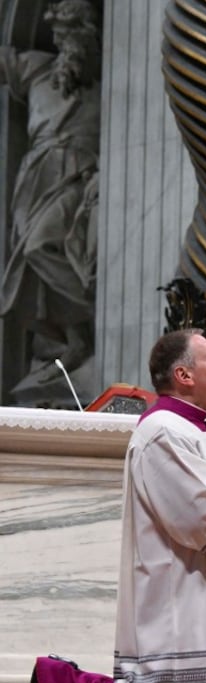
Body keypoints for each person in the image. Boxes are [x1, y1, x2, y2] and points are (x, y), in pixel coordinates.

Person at [25, 328, 206, 683]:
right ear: (184, 375)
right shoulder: (163, 430)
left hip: (202, 587)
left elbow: (199, 501)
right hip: (183, 595)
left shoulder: (189, 429)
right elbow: (197, 517)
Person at [0, 0, 101, 403]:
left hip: (77, 175)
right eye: (59, 38)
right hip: (36, 174)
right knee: (29, 253)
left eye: (71, 36)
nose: (64, 44)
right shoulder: (38, 70)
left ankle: (80, 331)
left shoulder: (103, 84)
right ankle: (64, 339)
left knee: (42, 244)